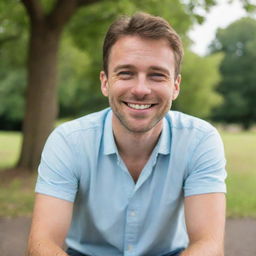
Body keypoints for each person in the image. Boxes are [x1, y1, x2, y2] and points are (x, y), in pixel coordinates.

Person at [26, 12, 227, 256]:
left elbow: (209, 245)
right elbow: (41, 244)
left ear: (175, 86)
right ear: (105, 82)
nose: (141, 89)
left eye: (156, 75)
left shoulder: (200, 140)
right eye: (126, 73)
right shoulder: (68, 141)